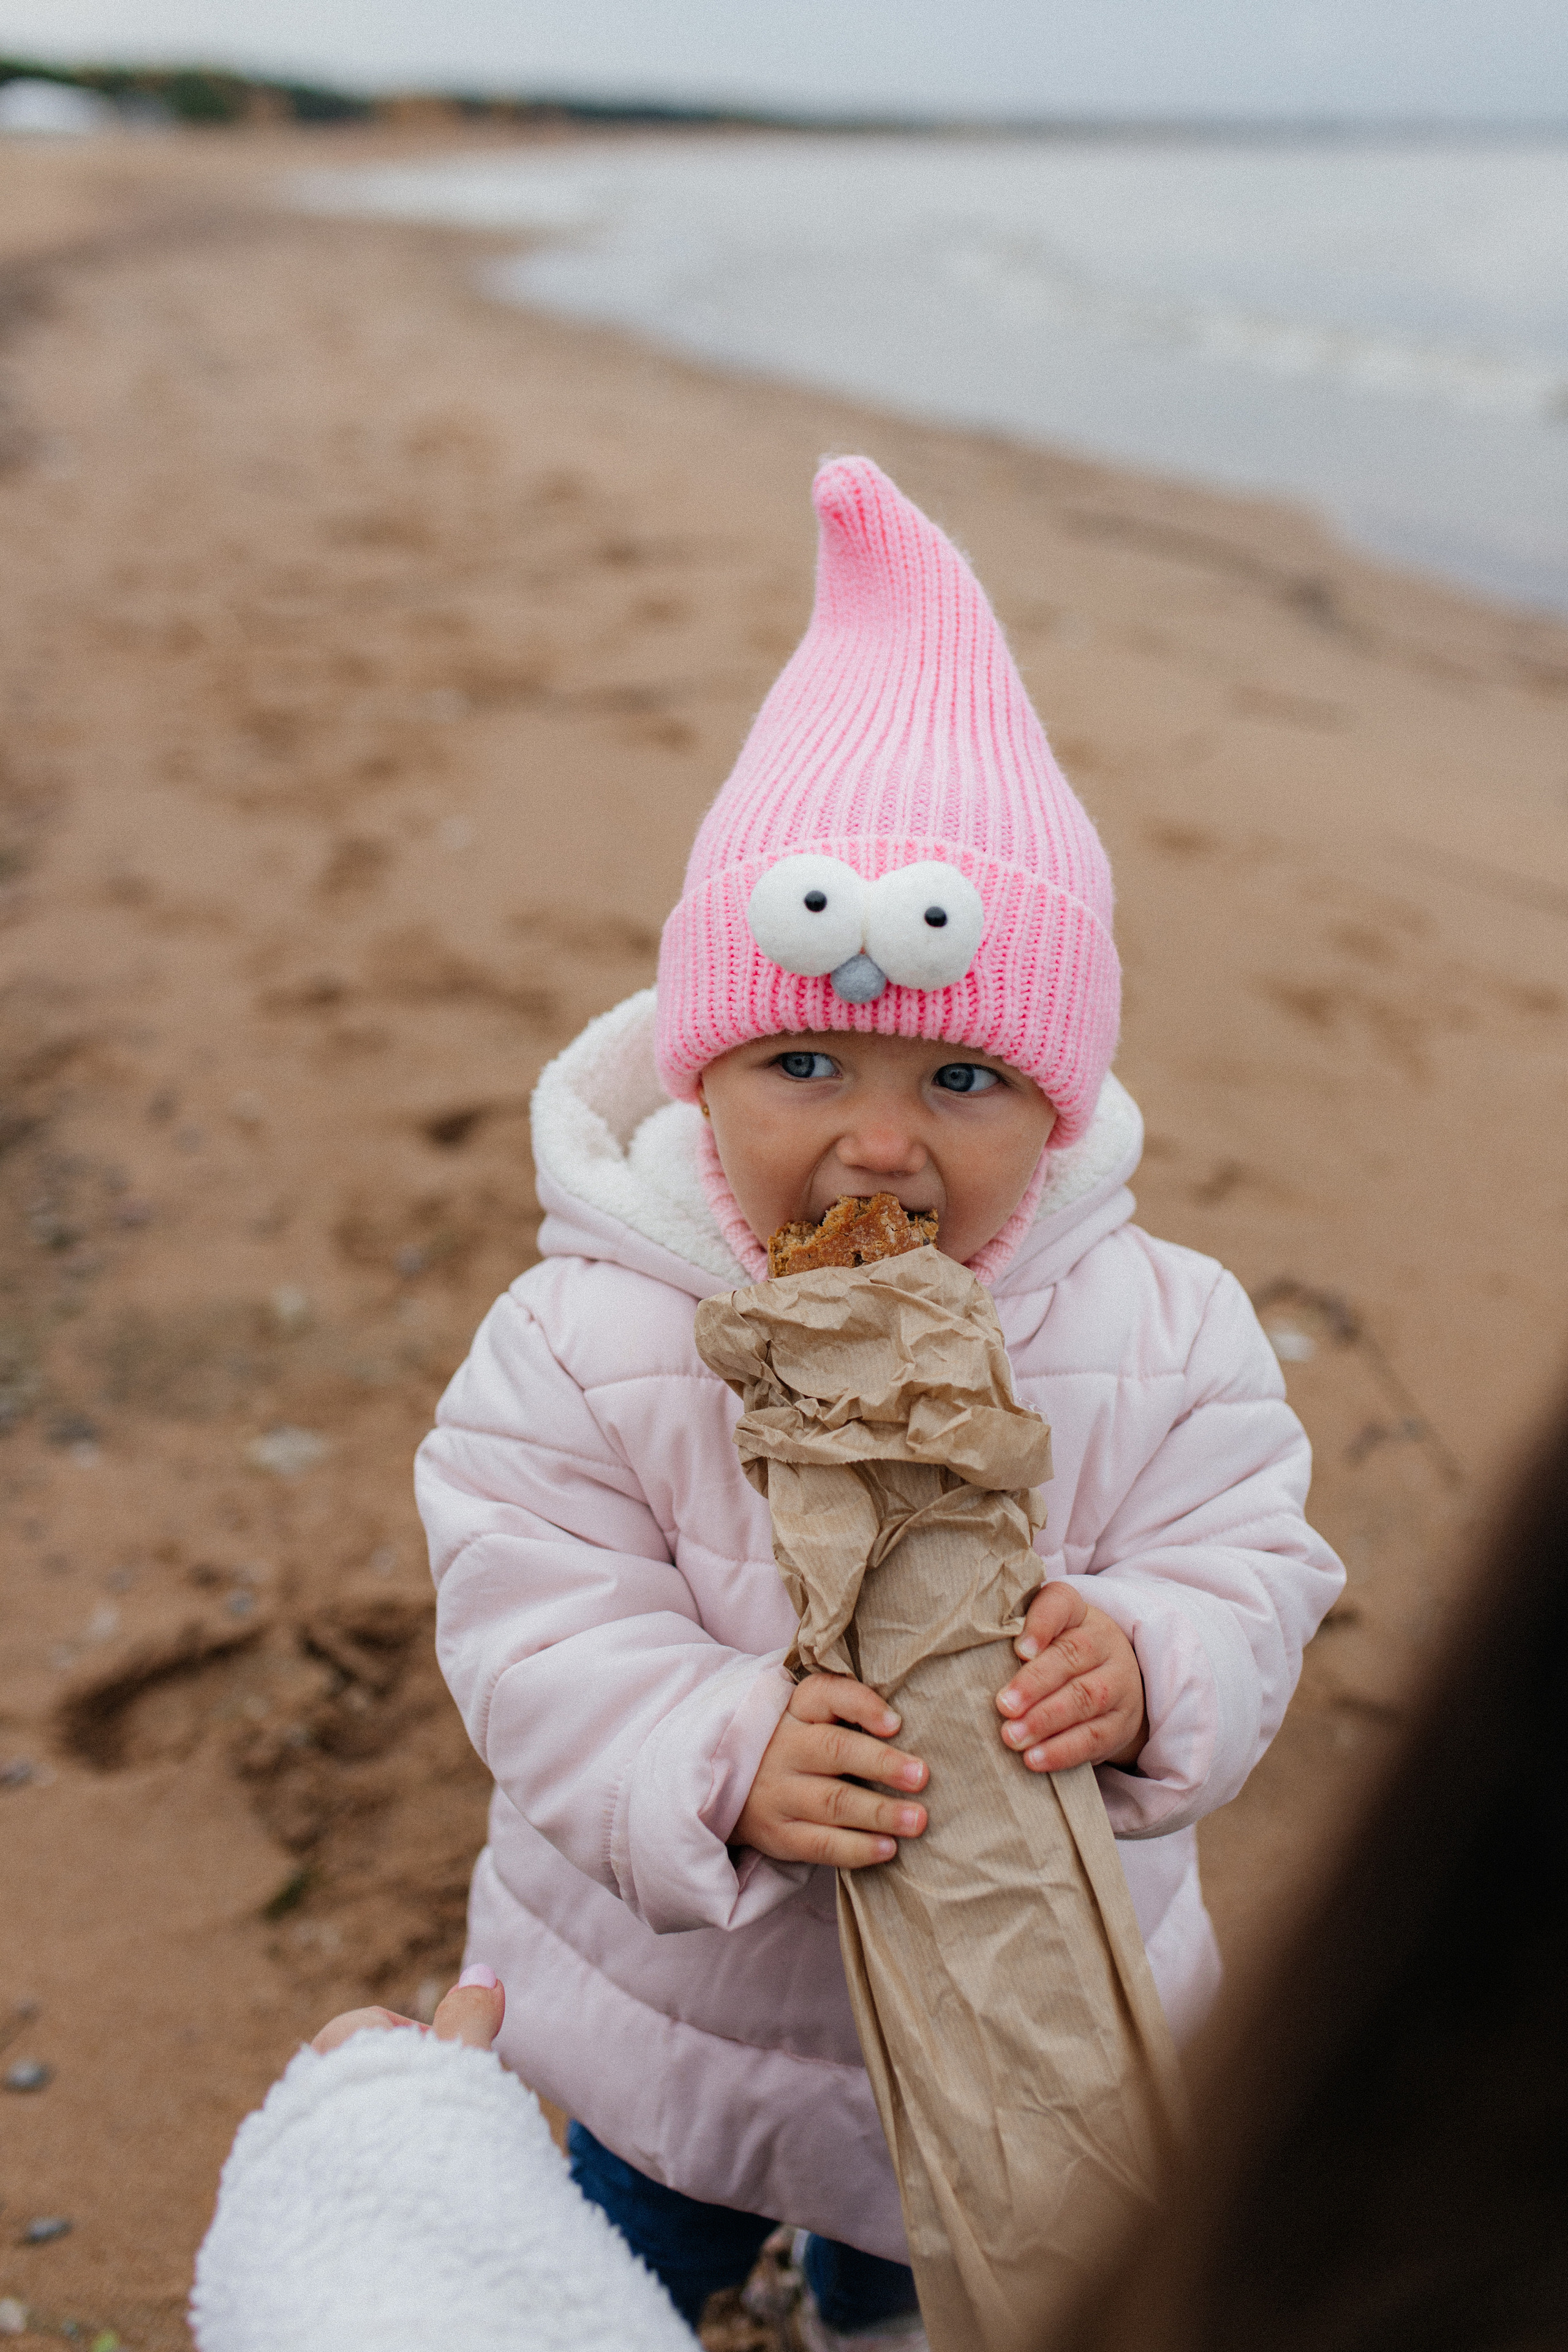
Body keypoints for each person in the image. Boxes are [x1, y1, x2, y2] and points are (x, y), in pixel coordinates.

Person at [415, 454, 1344, 2345]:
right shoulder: (591, 1328)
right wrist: (713, 1748)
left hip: (1020, 2007)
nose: (877, 1144)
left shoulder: (1161, 1327)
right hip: (683, 2007)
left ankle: (873, 2311)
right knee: (619, 2256)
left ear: (1060, 1098)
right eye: (809, 1059)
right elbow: (531, 1618)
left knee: (931, 2272)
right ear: (701, 1070)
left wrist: (1157, 1654)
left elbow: (1253, 1553)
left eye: (963, 1085)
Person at [1071, 1387, 1568, 2352]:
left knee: (918, 2241)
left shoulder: (1176, 1339)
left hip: (1057, 2012)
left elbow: (1251, 1600)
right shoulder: (683, 1327)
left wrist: (1144, 1676)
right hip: (709, 2037)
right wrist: (735, 1760)